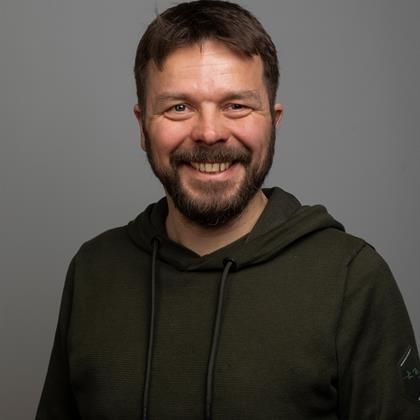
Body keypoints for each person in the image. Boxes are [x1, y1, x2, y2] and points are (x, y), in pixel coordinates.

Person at [36, 1, 420, 419]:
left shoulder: (351, 279)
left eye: (236, 105)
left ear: (273, 121)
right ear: (142, 126)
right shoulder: (93, 270)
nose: (209, 133)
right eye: (179, 107)